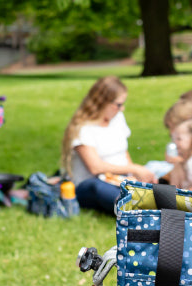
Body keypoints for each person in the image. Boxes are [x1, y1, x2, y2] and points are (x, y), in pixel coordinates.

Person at [61, 76, 156, 214]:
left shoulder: (117, 119)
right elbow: (95, 167)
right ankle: (136, 210)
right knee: (100, 188)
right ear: (102, 102)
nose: (122, 109)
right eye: (118, 105)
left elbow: (124, 152)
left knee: (155, 173)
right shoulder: (83, 128)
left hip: (119, 179)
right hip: (91, 184)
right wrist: (133, 168)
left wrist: (132, 176)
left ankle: (154, 203)